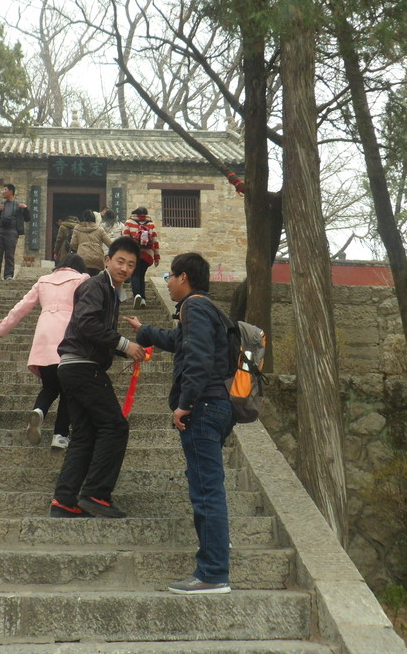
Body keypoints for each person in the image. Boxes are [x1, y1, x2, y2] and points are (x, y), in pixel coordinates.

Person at [126, 252, 234, 594]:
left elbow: (198, 358)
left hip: (204, 406)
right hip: (218, 404)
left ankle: (213, 573)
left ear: (183, 277)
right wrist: (145, 331)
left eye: (169, 276)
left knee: (206, 492)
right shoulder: (206, 308)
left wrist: (185, 404)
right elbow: (181, 342)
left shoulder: (194, 306)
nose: (168, 282)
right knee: (207, 487)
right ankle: (215, 555)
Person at [49, 236, 146, 518]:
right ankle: (96, 494)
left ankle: (64, 501)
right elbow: (86, 323)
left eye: (131, 265)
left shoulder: (111, 291)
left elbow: (93, 333)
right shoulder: (95, 285)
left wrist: (126, 351)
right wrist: (125, 345)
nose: (125, 268)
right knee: (115, 426)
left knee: (83, 435)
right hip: (83, 367)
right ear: (107, 260)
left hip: (74, 366)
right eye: (120, 261)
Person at [0, 253, 88, 449]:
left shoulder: (43, 280)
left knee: (49, 387)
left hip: (44, 338)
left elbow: (21, 307)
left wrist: (0, 328)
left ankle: (39, 411)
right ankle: (60, 436)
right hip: (69, 340)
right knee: (69, 391)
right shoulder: (82, 279)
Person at [0, 183, 31, 280]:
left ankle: (8, 275)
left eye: (5, 190)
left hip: (12, 231)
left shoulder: (19, 205)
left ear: (11, 191)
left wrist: (25, 209)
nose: (2, 192)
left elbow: (27, 219)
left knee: (10, 254)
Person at [122, 207, 160, 308]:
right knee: (142, 275)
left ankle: (137, 295)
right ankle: (143, 298)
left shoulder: (129, 222)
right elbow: (155, 241)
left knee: (135, 274)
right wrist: (157, 257)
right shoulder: (151, 223)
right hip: (147, 254)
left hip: (134, 253)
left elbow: (125, 239)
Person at [70, 209, 112, 276]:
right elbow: (109, 243)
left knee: (83, 279)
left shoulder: (77, 228)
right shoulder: (99, 229)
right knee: (94, 279)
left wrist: (80, 247)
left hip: (82, 258)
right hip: (97, 259)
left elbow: (73, 244)